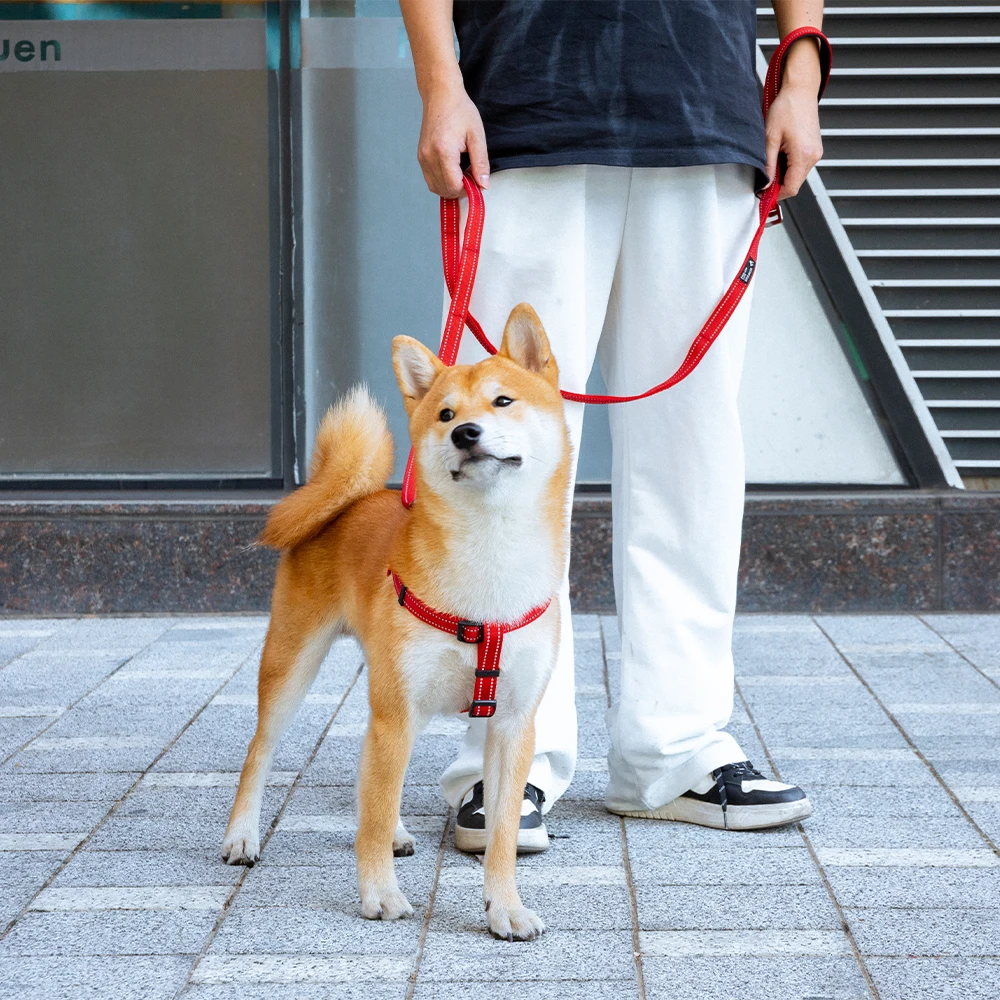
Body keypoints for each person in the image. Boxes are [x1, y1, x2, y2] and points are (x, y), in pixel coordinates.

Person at [399, 0, 825, 847]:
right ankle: (504, 755)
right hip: (525, 108)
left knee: (692, 450)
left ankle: (678, 746)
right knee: (500, 462)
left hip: (705, 108)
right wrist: (440, 84)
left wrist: (799, 78)